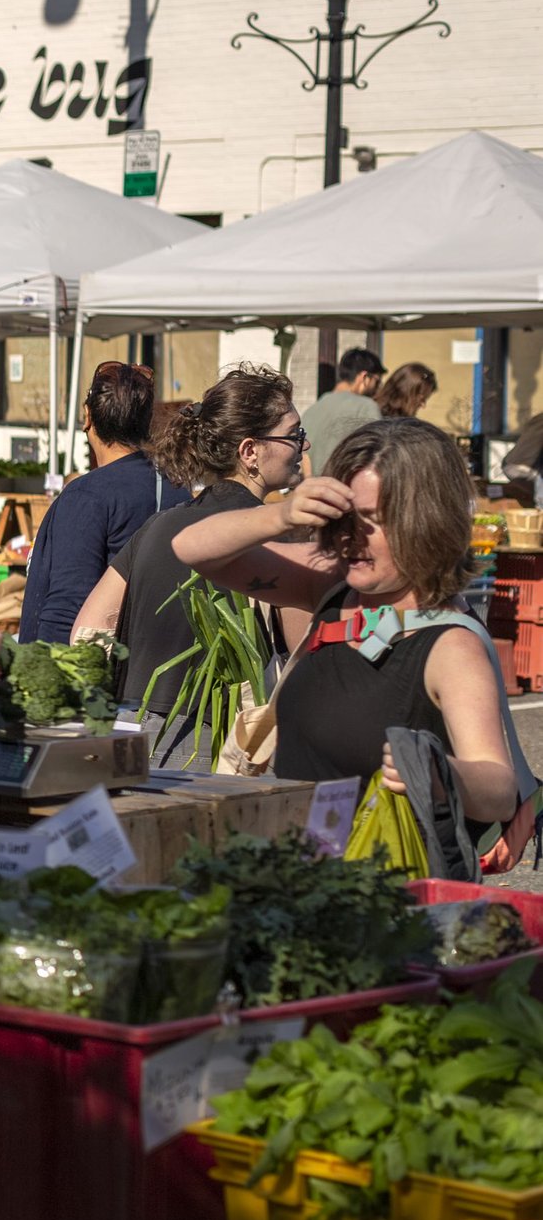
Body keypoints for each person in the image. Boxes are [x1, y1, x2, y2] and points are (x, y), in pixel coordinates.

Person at [175, 416, 519, 857]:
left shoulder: (450, 644)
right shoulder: (335, 586)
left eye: (373, 520)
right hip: (303, 874)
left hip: (386, 895)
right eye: (344, 517)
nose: (351, 537)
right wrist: (282, 514)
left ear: (427, 520)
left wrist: (438, 771)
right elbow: (191, 548)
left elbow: (498, 787)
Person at [73, 366, 302, 765]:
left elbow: (88, 631)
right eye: (294, 435)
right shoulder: (276, 534)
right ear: (250, 452)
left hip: (130, 731)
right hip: (217, 743)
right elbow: (304, 657)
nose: (303, 446)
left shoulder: (157, 526)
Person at [17, 361, 188, 643]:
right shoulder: (177, 489)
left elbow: (66, 610)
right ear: (146, 422)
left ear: (87, 417)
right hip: (154, 666)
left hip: (102, 675)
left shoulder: (86, 496)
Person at [300, 346, 382, 462]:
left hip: (311, 480)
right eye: (377, 381)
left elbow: (304, 456)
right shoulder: (366, 406)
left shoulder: (313, 409)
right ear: (364, 377)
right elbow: (376, 455)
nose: (378, 388)